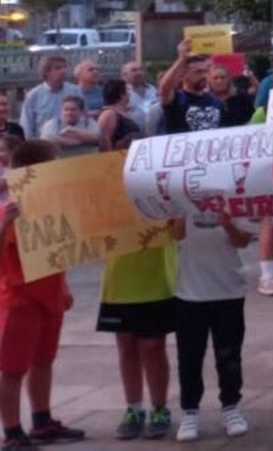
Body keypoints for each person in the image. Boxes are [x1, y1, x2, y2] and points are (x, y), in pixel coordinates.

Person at [0, 139, 87, 447]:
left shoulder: (50, 202)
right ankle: (11, 431)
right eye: (55, 161)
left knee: (43, 361)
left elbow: (57, 250)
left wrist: (63, 286)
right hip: (19, 299)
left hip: (48, 296)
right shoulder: (9, 208)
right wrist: (3, 224)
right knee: (11, 369)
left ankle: (41, 420)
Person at [171, 208, 256, 442]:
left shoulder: (234, 195)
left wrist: (227, 224)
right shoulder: (180, 195)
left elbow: (243, 241)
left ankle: (231, 407)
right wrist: (179, 211)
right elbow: (176, 236)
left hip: (228, 290)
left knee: (229, 355)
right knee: (189, 357)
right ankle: (190, 411)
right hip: (189, 292)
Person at [98, 213, 178, 440]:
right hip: (118, 279)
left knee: (153, 346)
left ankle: (160, 408)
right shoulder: (105, 185)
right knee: (126, 345)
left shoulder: (156, 178)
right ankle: (133, 408)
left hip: (156, 276)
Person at [159, 42, 223, 135]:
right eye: (198, 72)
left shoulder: (215, 101)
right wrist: (182, 59)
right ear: (183, 75)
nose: (204, 76)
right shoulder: (176, 99)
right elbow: (165, 88)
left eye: (206, 71)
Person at [20, 57, 80, 140]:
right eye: (58, 68)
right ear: (46, 72)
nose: (63, 71)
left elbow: (84, 116)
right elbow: (27, 125)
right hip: (44, 143)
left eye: (64, 67)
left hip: (73, 140)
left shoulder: (75, 91)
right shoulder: (33, 96)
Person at [96, 80, 145, 154]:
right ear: (121, 94)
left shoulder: (124, 113)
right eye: (127, 90)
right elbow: (104, 140)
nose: (129, 93)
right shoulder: (109, 114)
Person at [121, 61, 163, 137]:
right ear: (124, 75)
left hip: (155, 136)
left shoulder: (152, 89)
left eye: (141, 69)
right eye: (134, 70)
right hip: (131, 139)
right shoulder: (121, 92)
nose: (139, 73)